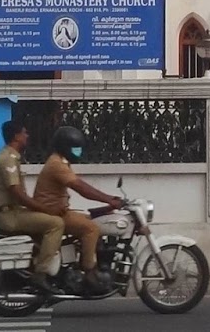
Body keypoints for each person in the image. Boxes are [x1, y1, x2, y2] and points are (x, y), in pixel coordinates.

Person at [33, 123, 123, 295]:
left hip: (59, 210)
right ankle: (89, 272)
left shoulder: (60, 162)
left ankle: (86, 262)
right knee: (91, 229)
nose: (78, 152)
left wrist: (105, 206)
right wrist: (109, 199)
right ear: (65, 148)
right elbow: (81, 188)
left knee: (92, 220)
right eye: (75, 149)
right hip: (54, 213)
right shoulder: (57, 164)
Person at [0, 120, 64, 288]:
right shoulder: (8, 158)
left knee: (45, 223)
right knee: (56, 224)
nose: (27, 136)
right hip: (8, 216)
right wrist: (46, 209)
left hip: (10, 212)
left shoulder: (10, 157)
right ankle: (41, 273)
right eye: (25, 133)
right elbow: (17, 193)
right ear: (16, 136)